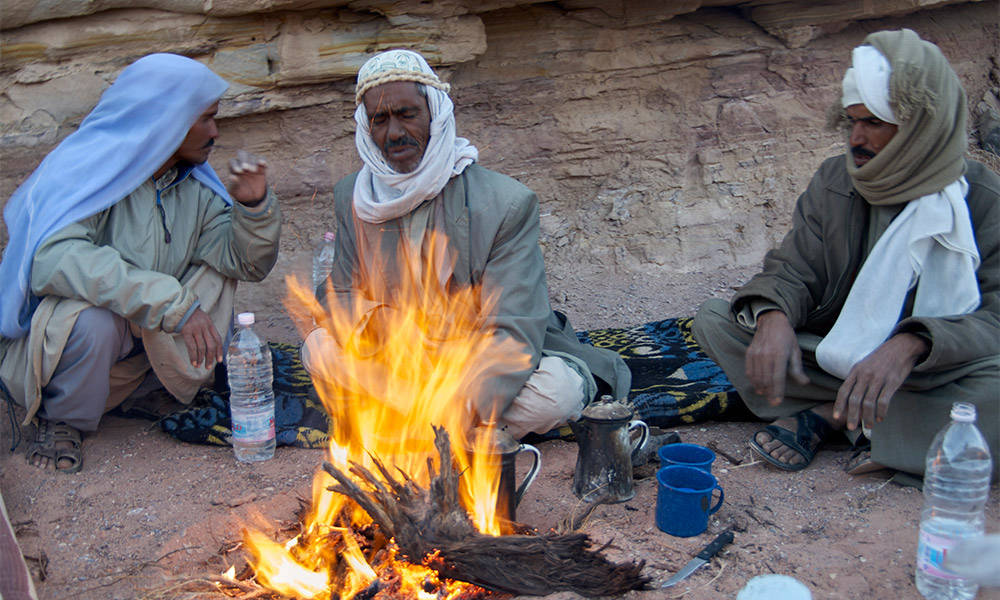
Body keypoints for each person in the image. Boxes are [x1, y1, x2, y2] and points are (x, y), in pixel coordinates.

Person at [693, 29, 999, 477]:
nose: (855, 138)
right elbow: (795, 267)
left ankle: (829, 416)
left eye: (873, 122)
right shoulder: (837, 179)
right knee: (716, 322)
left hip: (935, 371)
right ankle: (879, 423)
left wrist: (912, 343)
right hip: (839, 356)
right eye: (851, 121)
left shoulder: (984, 198)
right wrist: (773, 316)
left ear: (919, 125)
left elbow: (995, 317)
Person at [301, 49, 630, 439]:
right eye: (380, 120)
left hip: (480, 358)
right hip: (397, 356)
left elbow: (515, 330)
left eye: (407, 114)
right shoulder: (353, 196)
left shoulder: (506, 202)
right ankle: (444, 427)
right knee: (318, 347)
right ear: (366, 127)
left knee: (554, 393)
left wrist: (458, 402)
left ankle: (416, 423)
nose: (394, 133)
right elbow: (337, 294)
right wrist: (382, 321)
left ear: (435, 113)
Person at [0, 54, 282, 473]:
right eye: (205, 119)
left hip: (137, 359)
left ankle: (151, 389)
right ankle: (62, 420)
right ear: (166, 120)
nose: (215, 132)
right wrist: (170, 302)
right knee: (94, 319)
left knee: (216, 275)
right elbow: (52, 258)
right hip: (64, 357)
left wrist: (254, 208)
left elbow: (244, 263)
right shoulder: (86, 173)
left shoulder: (193, 188)